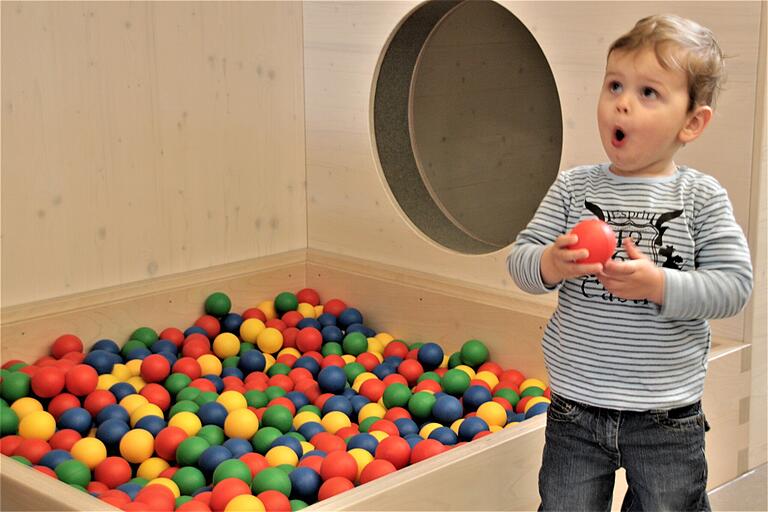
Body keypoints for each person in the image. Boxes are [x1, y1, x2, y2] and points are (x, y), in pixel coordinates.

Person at [507, 14, 753, 511]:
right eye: (614, 84)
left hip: (665, 416)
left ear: (692, 122)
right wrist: (552, 263)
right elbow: (520, 259)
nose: (621, 101)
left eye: (648, 92)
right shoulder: (574, 188)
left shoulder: (700, 198)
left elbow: (734, 286)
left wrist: (660, 284)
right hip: (575, 409)